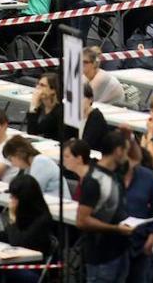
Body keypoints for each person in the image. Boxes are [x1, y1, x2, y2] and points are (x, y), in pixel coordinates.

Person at [77, 130, 134, 282]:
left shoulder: (116, 174)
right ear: (117, 151)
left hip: (119, 252)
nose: (126, 156)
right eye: (125, 151)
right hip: (101, 256)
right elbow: (82, 220)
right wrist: (115, 229)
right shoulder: (94, 181)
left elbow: (136, 159)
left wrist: (129, 137)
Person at [27, 73, 65, 140]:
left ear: (53, 90)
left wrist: (33, 105)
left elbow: (33, 131)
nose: (38, 88)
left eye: (42, 85)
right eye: (37, 84)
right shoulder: (41, 106)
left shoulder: (59, 110)